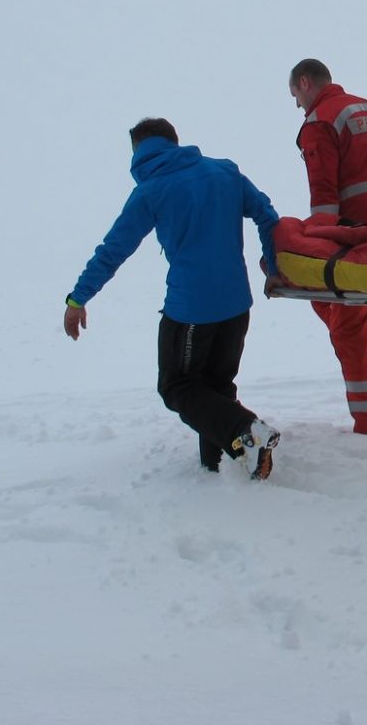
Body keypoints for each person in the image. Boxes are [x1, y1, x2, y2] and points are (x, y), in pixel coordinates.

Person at [63, 118, 282, 478]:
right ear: (174, 142)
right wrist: (273, 266)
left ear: (139, 150)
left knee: (177, 386)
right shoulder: (224, 172)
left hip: (191, 310)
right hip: (237, 304)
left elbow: (113, 250)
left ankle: (247, 431)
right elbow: (266, 214)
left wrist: (77, 299)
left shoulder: (152, 190)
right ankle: (221, 463)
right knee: (216, 387)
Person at [288, 59, 367, 434]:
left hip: (350, 233)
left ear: (305, 83)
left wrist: (319, 238)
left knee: (347, 323)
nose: (296, 105)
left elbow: (323, 195)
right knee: (323, 298)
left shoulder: (319, 121)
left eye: (295, 95)